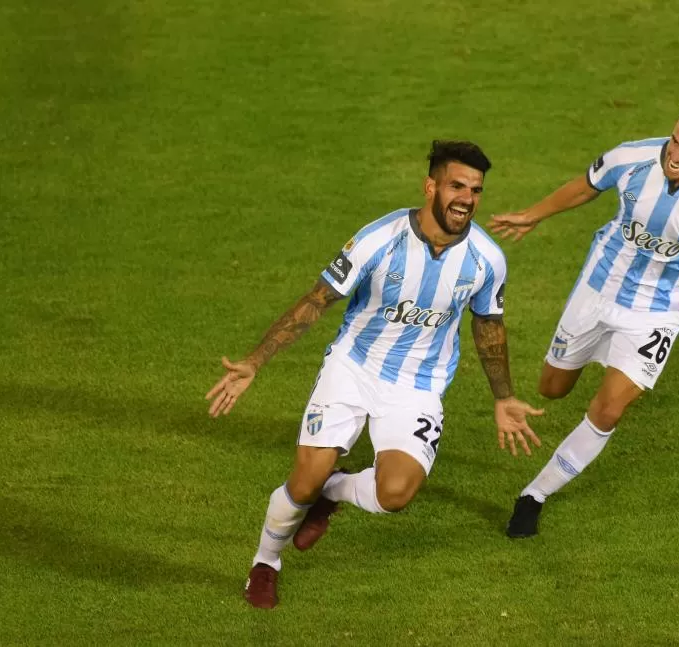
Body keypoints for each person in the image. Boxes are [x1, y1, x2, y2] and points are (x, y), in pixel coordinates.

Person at [206, 140, 543, 608]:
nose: (466, 198)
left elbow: (489, 325)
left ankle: (335, 490)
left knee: (396, 493)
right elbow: (317, 299)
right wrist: (255, 361)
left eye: (476, 189)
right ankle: (266, 563)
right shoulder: (378, 239)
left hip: (418, 386)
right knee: (301, 483)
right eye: (456, 186)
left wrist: (503, 397)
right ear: (431, 187)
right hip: (353, 367)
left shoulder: (487, 260)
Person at [488, 96, 679, 538]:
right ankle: (599, 359)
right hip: (597, 291)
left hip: (656, 313)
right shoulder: (632, 156)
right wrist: (533, 214)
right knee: (551, 389)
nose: (675, 155)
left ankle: (534, 495)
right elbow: (587, 185)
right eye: (674, 141)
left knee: (608, 411)